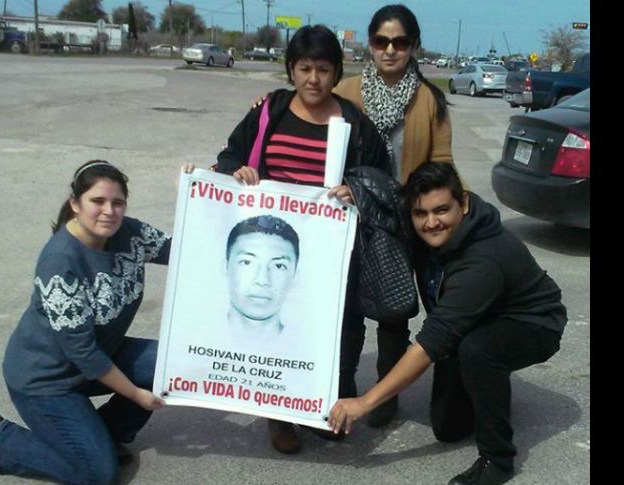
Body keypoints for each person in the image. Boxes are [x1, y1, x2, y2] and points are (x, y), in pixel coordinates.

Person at [328, 162, 567, 485]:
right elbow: (389, 202)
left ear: (463, 203)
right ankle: (490, 388)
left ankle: (498, 460)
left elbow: (430, 343)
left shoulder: (483, 260)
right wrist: (356, 195)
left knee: (477, 350)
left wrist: (364, 402)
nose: (431, 223)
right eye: (421, 213)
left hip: (533, 324)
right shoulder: (427, 230)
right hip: (474, 316)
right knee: (448, 429)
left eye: (441, 210)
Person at [216, 24, 392, 454]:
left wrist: (357, 190)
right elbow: (230, 154)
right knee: (282, 324)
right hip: (275, 244)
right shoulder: (269, 111)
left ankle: (326, 400)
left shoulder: (354, 123)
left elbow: (382, 177)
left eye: (324, 69)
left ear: (336, 72)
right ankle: (278, 414)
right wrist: (238, 170)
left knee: (339, 327)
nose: (314, 79)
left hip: (335, 251)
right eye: (305, 68)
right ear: (291, 69)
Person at [0, 160, 181, 485]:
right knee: (99, 475)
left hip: (99, 356)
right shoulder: (60, 261)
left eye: (118, 202)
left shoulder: (131, 234)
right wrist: (137, 395)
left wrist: (193, 196)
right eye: (98, 201)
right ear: (75, 203)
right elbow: (83, 352)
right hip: (46, 380)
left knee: (169, 365)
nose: (109, 211)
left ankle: (106, 435)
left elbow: (187, 250)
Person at [330, 3, 455, 428]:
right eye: (381, 41)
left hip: (402, 223)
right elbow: (303, 114)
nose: (389, 50)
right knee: (347, 312)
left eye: (400, 42)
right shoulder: (345, 93)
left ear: (413, 46)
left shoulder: (429, 100)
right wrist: (265, 105)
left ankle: (385, 395)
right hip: (350, 219)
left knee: (394, 314)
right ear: (370, 44)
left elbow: (443, 163)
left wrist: (456, 212)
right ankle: (343, 388)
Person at [225, 215, 299, 341]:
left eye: (278, 266)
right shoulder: (193, 334)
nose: (262, 280)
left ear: (295, 276)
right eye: (247, 262)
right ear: (225, 267)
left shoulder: (312, 345)